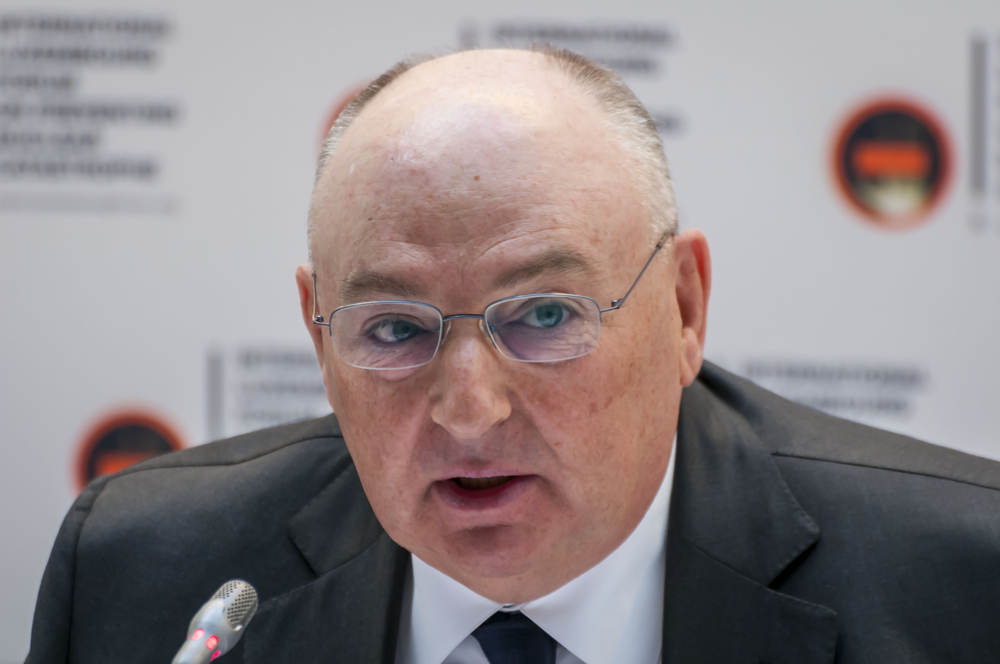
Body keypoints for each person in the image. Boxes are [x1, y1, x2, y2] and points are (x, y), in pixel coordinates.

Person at [25, 46, 1000, 664]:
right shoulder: (144, 574)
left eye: (542, 315)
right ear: (319, 333)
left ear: (683, 307)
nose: (468, 409)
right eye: (394, 329)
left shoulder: (962, 584)